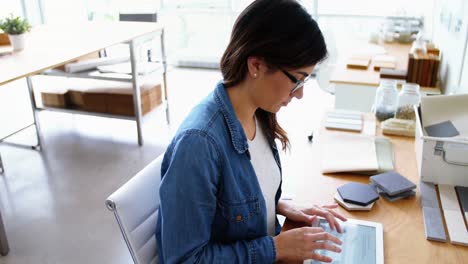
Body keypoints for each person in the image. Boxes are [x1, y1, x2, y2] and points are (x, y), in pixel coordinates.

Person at [156, 0, 347, 263]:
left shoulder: (258, 113)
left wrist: (277, 205)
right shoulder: (199, 144)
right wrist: (276, 248)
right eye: (297, 80)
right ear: (256, 65)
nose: (301, 94)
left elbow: (232, 199)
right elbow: (185, 259)